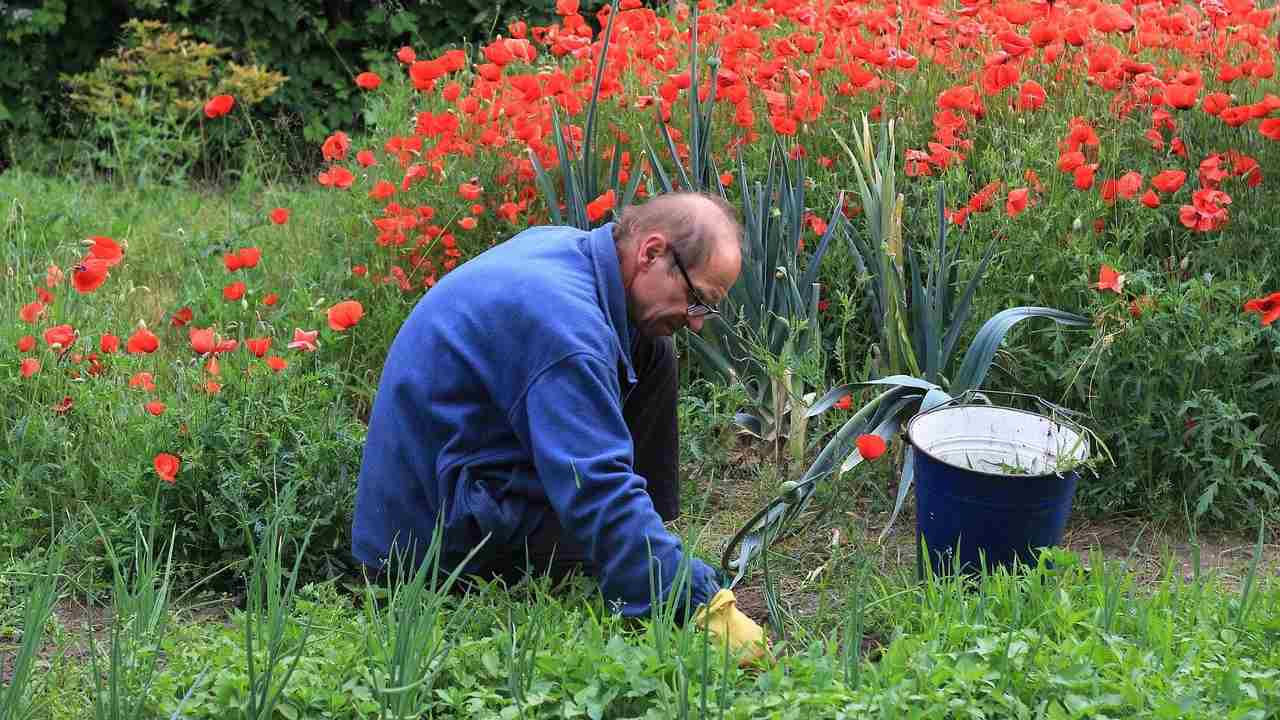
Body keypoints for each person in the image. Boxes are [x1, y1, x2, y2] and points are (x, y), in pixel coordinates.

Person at [352, 191, 765, 658]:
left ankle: (648, 552)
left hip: (470, 472)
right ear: (652, 252)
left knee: (655, 345)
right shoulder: (567, 330)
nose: (696, 324)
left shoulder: (580, 256)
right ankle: (650, 576)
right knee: (615, 526)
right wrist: (692, 600)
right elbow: (594, 486)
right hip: (427, 541)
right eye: (696, 300)